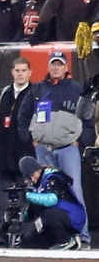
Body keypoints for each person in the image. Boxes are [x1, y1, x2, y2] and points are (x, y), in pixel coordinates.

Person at [17, 51, 92, 248]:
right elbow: (22, 116)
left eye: (60, 64)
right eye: (53, 64)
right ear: (48, 66)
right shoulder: (37, 90)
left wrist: (81, 140)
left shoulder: (77, 90)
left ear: (66, 67)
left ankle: (82, 236)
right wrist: (31, 138)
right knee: (43, 193)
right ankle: (53, 236)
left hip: (68, 149)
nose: (56, 68)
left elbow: (89, 119)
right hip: (44, 149)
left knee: (74, 191)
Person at [0, 57, 35, 234]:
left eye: (24, 70)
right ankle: (2, 234)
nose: (20, 74)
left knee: (26, 197)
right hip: (2, 155)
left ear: (30, 72)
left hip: (25, 154)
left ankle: (25, 234)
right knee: (3, 198)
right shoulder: (4, 93)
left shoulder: (35, 93)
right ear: (12, 72)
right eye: (17, 70)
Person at [17, 156, 86, 249]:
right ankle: (65, 240)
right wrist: (21, 215)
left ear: (38, 169)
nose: (33, 179)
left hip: (73, 216)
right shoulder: (36, 186)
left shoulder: (53, 177)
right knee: (28, 241)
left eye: (33, 175)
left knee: (48, 214)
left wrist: (28, 196)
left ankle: (65, 241)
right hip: (53, 220)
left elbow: (52, 200)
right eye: (30, 178)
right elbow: (33, 212)